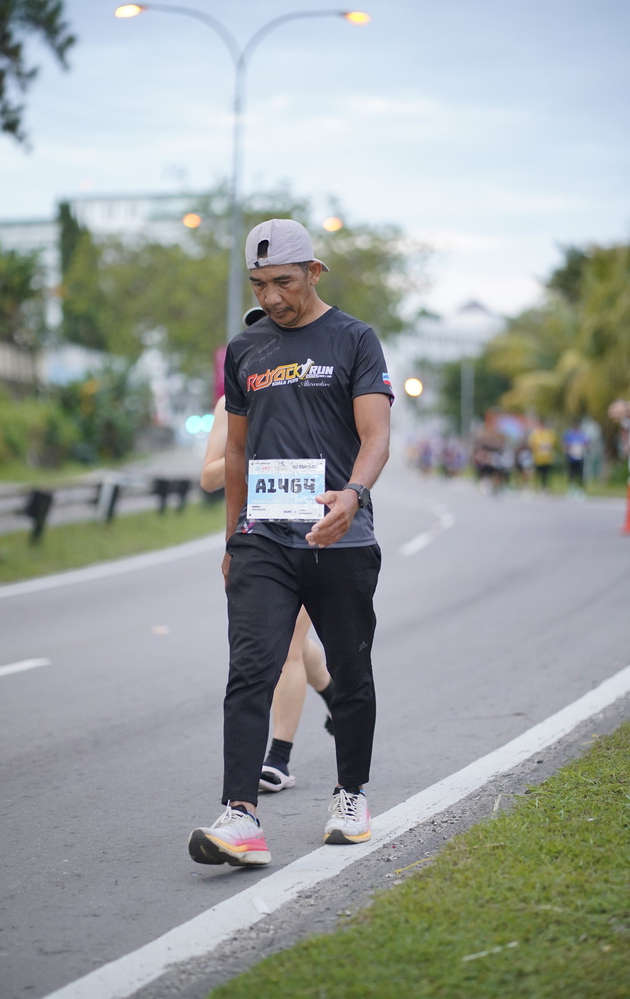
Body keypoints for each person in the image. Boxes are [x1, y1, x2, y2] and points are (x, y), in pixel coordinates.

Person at [188, 218, 393, 867]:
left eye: (283, 281)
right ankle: (240, 816)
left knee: (351, 672)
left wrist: (353, 494)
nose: (272, 296)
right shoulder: (246, 350)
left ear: (314, 271)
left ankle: (351, 795)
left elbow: (376, 436)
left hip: (340, 537)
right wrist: (233, 538)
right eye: (259, 284)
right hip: (265, 539)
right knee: (251, 669)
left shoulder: (355, 339)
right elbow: (237, 451)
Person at [200, 388, 335, 794]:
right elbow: (209, 477)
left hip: (311, 532)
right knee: (292, 640)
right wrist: (256, 450)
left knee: (290, 642)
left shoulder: (316, 389)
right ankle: (336, 696)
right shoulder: (231, 404)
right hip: (259, 539)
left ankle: (278, 758)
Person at [560, 419, 589, 496]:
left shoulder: (582, 434)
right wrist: (567, 448)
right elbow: (564, 443)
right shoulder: (569, 433)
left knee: (580, 474)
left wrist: (582, 446)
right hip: (571, 457)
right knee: (571, 474)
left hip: (580, 457)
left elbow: (587, 443)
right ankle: (571, 488)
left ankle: (580, 489)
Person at [528, 419, 557, 490]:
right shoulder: (535, 433)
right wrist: (538, 447)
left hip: (547, 457)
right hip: (537, 457)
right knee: (536, 473)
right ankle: (535, 486)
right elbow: (531, 445)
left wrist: (548, 447)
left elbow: (552, 444)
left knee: (546, 473)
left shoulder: (549, 433)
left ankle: (544, 486)